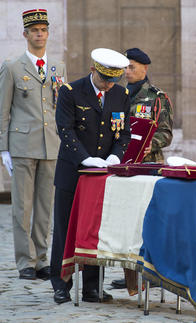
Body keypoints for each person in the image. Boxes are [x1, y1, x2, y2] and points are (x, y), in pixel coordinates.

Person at [50, 48, 131, 304]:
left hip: (101, 175)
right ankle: (61, 284)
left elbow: (124, 132)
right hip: (73, 171)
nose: (107, 85)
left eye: (112, 80)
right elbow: (65, 130)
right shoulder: (70, 92)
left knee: (96, 230)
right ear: (93, 69)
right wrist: (85, 159)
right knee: (65, 229)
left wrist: (115, 157)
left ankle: (93, 288)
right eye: (104, 79)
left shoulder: (120, 94)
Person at [0, 9, 66, 280]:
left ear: (48, 33)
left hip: (51, 145)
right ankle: (25, 261)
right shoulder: (12, 67)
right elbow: (2, 109)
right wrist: (3, 147)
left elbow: (62, 107)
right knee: (22, 207)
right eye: (34, 30)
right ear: (25, 34)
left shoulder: (58, 67)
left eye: (43, 30)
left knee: (46, 207)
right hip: (22, 145)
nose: (39, 34)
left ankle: (42, 259)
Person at [111, 47, 174, 290]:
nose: (127, 71)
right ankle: (131, 275)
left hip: (149, 167)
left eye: (132, 67)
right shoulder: (117, 95)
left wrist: (149, 145)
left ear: (145, 69)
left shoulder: (157, 97)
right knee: (128, 222)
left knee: (150, 222)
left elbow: (166, 133)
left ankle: (154, 272)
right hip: (125, 167)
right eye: (125, 67)